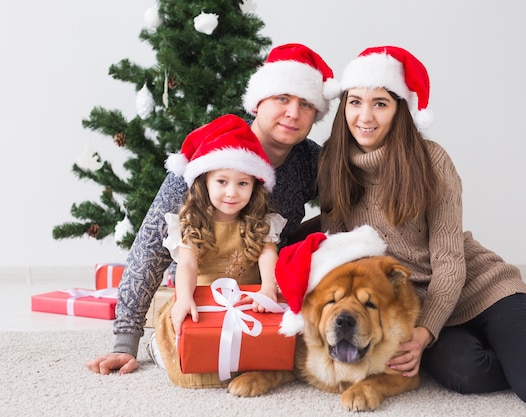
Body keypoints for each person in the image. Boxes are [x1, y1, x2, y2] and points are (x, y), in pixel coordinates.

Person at [317, 45, 526, 407]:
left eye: (380, 103)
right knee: (464, 375)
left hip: (485, 290)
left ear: (401, 109)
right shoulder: (333, 164)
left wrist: (421, 334)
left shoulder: (431, 161)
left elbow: (449, 262)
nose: (365, 116)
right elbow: (335, 251)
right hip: (429, 308)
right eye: (355, 102)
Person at [86, 43, 339, 376]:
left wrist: (304, 245)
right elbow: (150, 245)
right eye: (282, 98)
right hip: (204, 288)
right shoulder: (210, 157)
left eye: (306, 104)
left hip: (263, 284)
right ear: (259, 101)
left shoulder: (310, 160)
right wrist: (125, 342)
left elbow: (351, 210)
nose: (293, 113)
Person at [151, 113, 285, 388]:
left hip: (248, 301)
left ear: (254, 186)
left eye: (242, 183)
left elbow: (268, 256)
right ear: (205, 182)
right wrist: (184, 297)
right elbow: (187, 265)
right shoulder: (191, 222)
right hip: (202, 301)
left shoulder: (262, 222)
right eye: (222, 181)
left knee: (268, 355)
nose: (232, 192)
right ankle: (157, 346)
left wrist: (268, 288)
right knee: (189, 357)